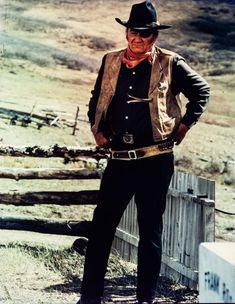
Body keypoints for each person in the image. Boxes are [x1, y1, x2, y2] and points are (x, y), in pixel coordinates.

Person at [76, 1, 210, 303]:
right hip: (120, 160)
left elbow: (202, 91)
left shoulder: (171, 62)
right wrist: (96, 129)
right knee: (101, 229)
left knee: (150, 232)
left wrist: (186, 125)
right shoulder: (109, 61)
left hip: (155, 160)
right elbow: (97, 97)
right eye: (134, 32)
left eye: (146, 34)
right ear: (127, 33)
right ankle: (89, 298)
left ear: (155, 36)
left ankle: (145, 300)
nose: (139, 38)